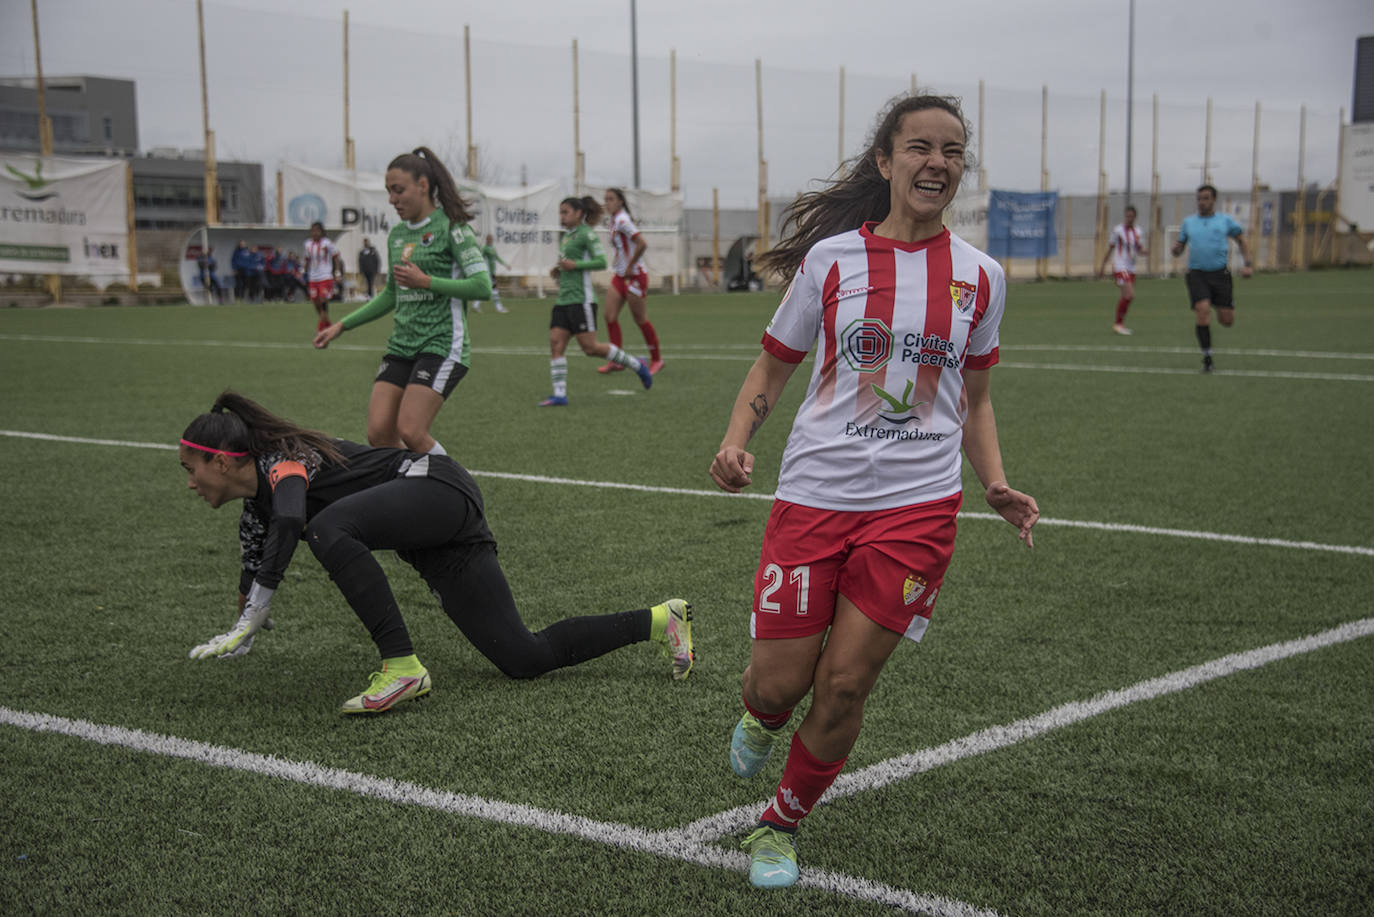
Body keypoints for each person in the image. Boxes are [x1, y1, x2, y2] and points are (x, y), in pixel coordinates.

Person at [707, 92, 1039, 890]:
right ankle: (761, 712)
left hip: (918, 509)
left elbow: (978, 398)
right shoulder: (830, 262)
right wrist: (735, 440)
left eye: (953, 151)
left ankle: (780, 824)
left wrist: (992, 481)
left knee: (847, 680)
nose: (938, 163)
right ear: (887, 162)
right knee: (779, 682)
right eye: (920, 147)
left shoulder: (982, 279)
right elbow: (774, 365)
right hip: (814, 497)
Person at [180, 391, 694, 714]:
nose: (189, 484)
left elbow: (292, 516)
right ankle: (659, 619)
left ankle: (402, 667)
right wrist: (245, 623)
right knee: (522, 656)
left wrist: (260, 603)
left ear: (222, 462)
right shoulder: (255, 515)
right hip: (432, 533)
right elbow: (254, 569)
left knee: (325, 526)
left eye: (190, 468)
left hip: (438, 488)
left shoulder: (283, 459)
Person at [313, 147, 489, 457]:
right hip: (402, 346)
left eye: (399, 190)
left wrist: (427, 282)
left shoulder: (453, 229)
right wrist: (341, 326)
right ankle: (412, 494)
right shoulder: (397, 236)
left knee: (411, 431)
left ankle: (457, 492)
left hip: (441, 344)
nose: (392, 199)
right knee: (379, 433)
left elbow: (481, 286)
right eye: (389, 192)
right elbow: (391, 295)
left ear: (423, 185)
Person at [539, 195, 653, 406]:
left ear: (579, 213)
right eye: (561, 212)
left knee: (590, 348)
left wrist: (575, 266)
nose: (562, 216)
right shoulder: (566, 236)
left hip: (582, 300)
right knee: (556, 343)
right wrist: (559, 269)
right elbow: (570, 261)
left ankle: (637, 364)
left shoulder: (586, 235)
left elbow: (601, 261)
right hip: (563, 300)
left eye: (566, 212)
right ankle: (560, 394)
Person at [1170, 184, 1252, 373]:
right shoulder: (1189, 223)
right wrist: (1176, 250)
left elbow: (1241, 241)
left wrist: (1248, 264)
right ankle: (1207, 359)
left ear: (1214, 200)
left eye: (1206, 198)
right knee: (1202, 310)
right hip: (1197, 274)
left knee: (1227, 320)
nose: (1202, 202)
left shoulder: (1224, 221)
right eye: (1199, 199)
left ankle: (1217, 303)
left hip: (1220, 275)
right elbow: (1180, 247)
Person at [598, 187, 664, 375]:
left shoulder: (622, 220)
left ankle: (657, 360)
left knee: (640, 319)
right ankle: (617, 360)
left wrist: (630, 265)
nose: (607, 202)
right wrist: (620, 262)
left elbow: (642, 243)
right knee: (609, 316)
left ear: (620, 201)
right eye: (606, 199)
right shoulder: (613, 220)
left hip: (635, 276)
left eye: (610, 199)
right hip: (620, 276)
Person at [1096, 204, 1147, 335]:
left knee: (1126, 296)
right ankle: (1118, 324)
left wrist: (1145, 252)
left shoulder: (1138, 232)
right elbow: (1111, 248)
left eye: (1132, 216)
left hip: (1131, 268)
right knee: (1130, 294)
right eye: (1127, 216)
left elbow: (1139, 249)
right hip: (1120, 266)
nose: (1129, 218)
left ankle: (1119, 324)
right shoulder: (1118, 231)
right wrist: (1102, 266)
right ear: (1125, 216)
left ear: (1135, 217)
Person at [304, 222, 344, 332]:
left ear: (321, 232)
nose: (315, 233)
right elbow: (307, 260)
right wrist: (303, 271)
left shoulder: (327, 243)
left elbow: (336, 258)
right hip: (313, 277)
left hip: (325, 277)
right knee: (316, 303)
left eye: (317, 231)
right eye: (313, 231)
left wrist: (337, 272)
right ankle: (328, 324)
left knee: (323, 300)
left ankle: (321, 327)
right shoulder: (307, 244)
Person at [477, 233, 509, 313]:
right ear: (487, 240)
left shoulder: (493, 248)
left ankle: (475, 305)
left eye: (491, 239)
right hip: (488, 273)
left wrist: (505, 265)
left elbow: (497, 258)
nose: (491, 240)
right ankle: (499, 308)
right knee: (494, 290)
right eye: (489, 239)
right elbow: (480, 257)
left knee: (484, 290)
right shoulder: (484, 248)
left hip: (492, 272)